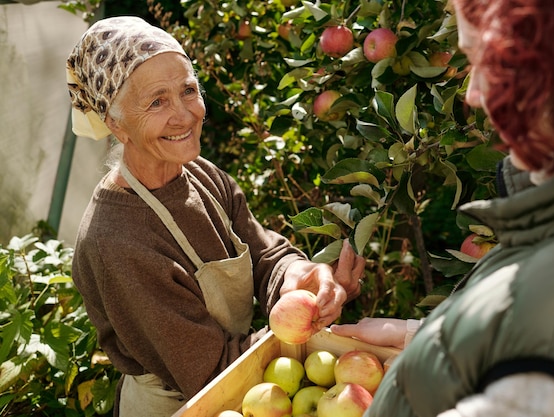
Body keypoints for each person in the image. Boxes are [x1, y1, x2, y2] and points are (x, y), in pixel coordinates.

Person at [331, 0, 554, 416]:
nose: (471, 94)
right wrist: (424, 338)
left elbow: (551, 343)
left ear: (543, 69)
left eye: (479, 59)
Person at [66, 16, 365, 417]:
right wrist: (299, 328)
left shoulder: (201, 174)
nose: (184, 115)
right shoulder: (116, 241)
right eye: (157, 101)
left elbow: (264, 256)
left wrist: (298, 278)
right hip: (188, 401)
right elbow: (209, 371)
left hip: (249, 386)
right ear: (116, 124)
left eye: (188, 90)